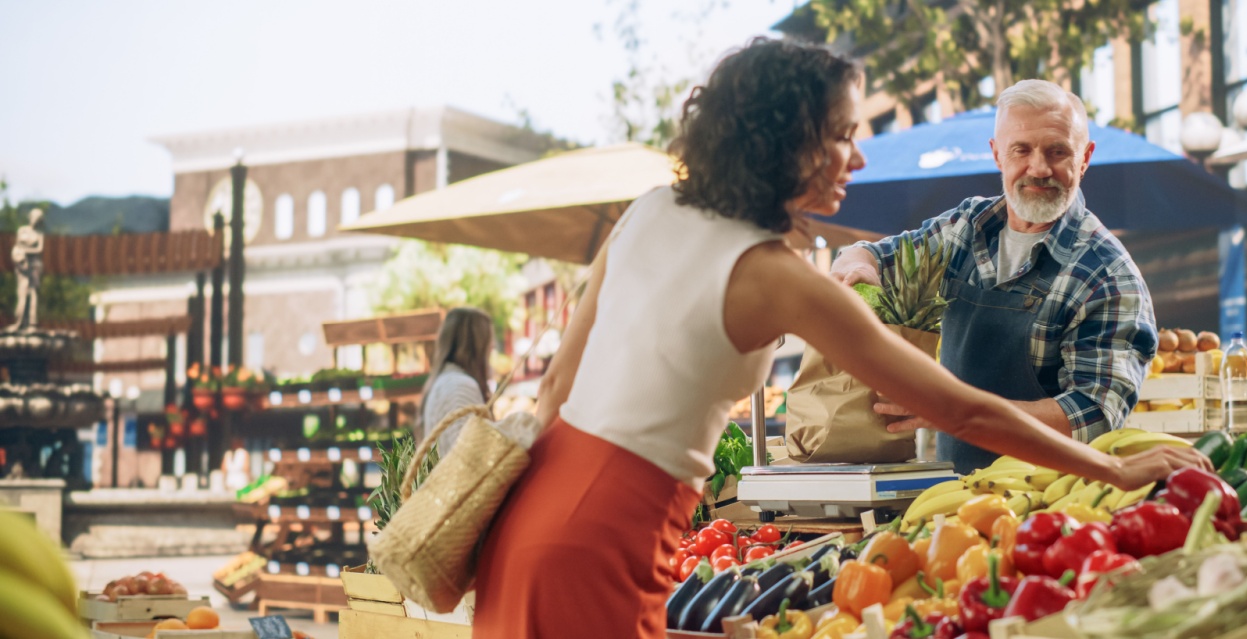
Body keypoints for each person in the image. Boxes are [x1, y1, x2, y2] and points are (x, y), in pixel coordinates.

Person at [471, 39, 1207, 638]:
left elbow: (555, 389)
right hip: (608, 537)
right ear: (789, 145)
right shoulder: (776, 276)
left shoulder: (651, 207)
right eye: (844, 137)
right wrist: (1118, 473)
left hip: (532, 513)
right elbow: (967, 414)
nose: (857, 159)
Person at [830, 80, 1158, 474]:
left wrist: (952, 411)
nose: (1039, 168)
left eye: (1057, 151)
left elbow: (1094, 416)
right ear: (997, 154)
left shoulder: (1108, 274)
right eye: (1021, 150)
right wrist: (857, 265)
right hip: (948, 490)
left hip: (1046, 504)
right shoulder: (967, 227)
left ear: (1084, 157)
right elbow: (869, 255)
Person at [416, 307, 493, 457]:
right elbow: (468, 458)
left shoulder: (445, 381)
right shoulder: (460, 386)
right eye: (490, 350)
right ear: (478, 348)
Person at [9, 208, 44, 331]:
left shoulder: (39, 234)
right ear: (30, 217)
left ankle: (32, 323)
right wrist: (20, 256)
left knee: (33, 293)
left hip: (34, 266)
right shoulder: (22, 230)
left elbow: (40, 249)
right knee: (22, 292)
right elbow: (17, 246)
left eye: (38, 218)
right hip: (22, 265)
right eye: (35, 216)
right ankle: (20, 321)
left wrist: (26, 250)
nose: (36, 220)